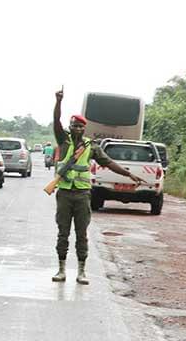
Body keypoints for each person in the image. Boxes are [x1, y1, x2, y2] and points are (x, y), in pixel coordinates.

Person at [51, 89, 144, 285]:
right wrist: (58, 101)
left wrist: (128, 174)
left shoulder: (91, 146)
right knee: (63, 233)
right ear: (70, 126)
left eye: (80, 127)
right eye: (74, 125)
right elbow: (56, 119)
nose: (76, 129)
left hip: (83, 195)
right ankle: (61, 270)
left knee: (82, 234)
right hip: (65, 194)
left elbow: (109, 162)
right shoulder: (64, 141)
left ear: (84, 129)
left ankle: (82, 271)